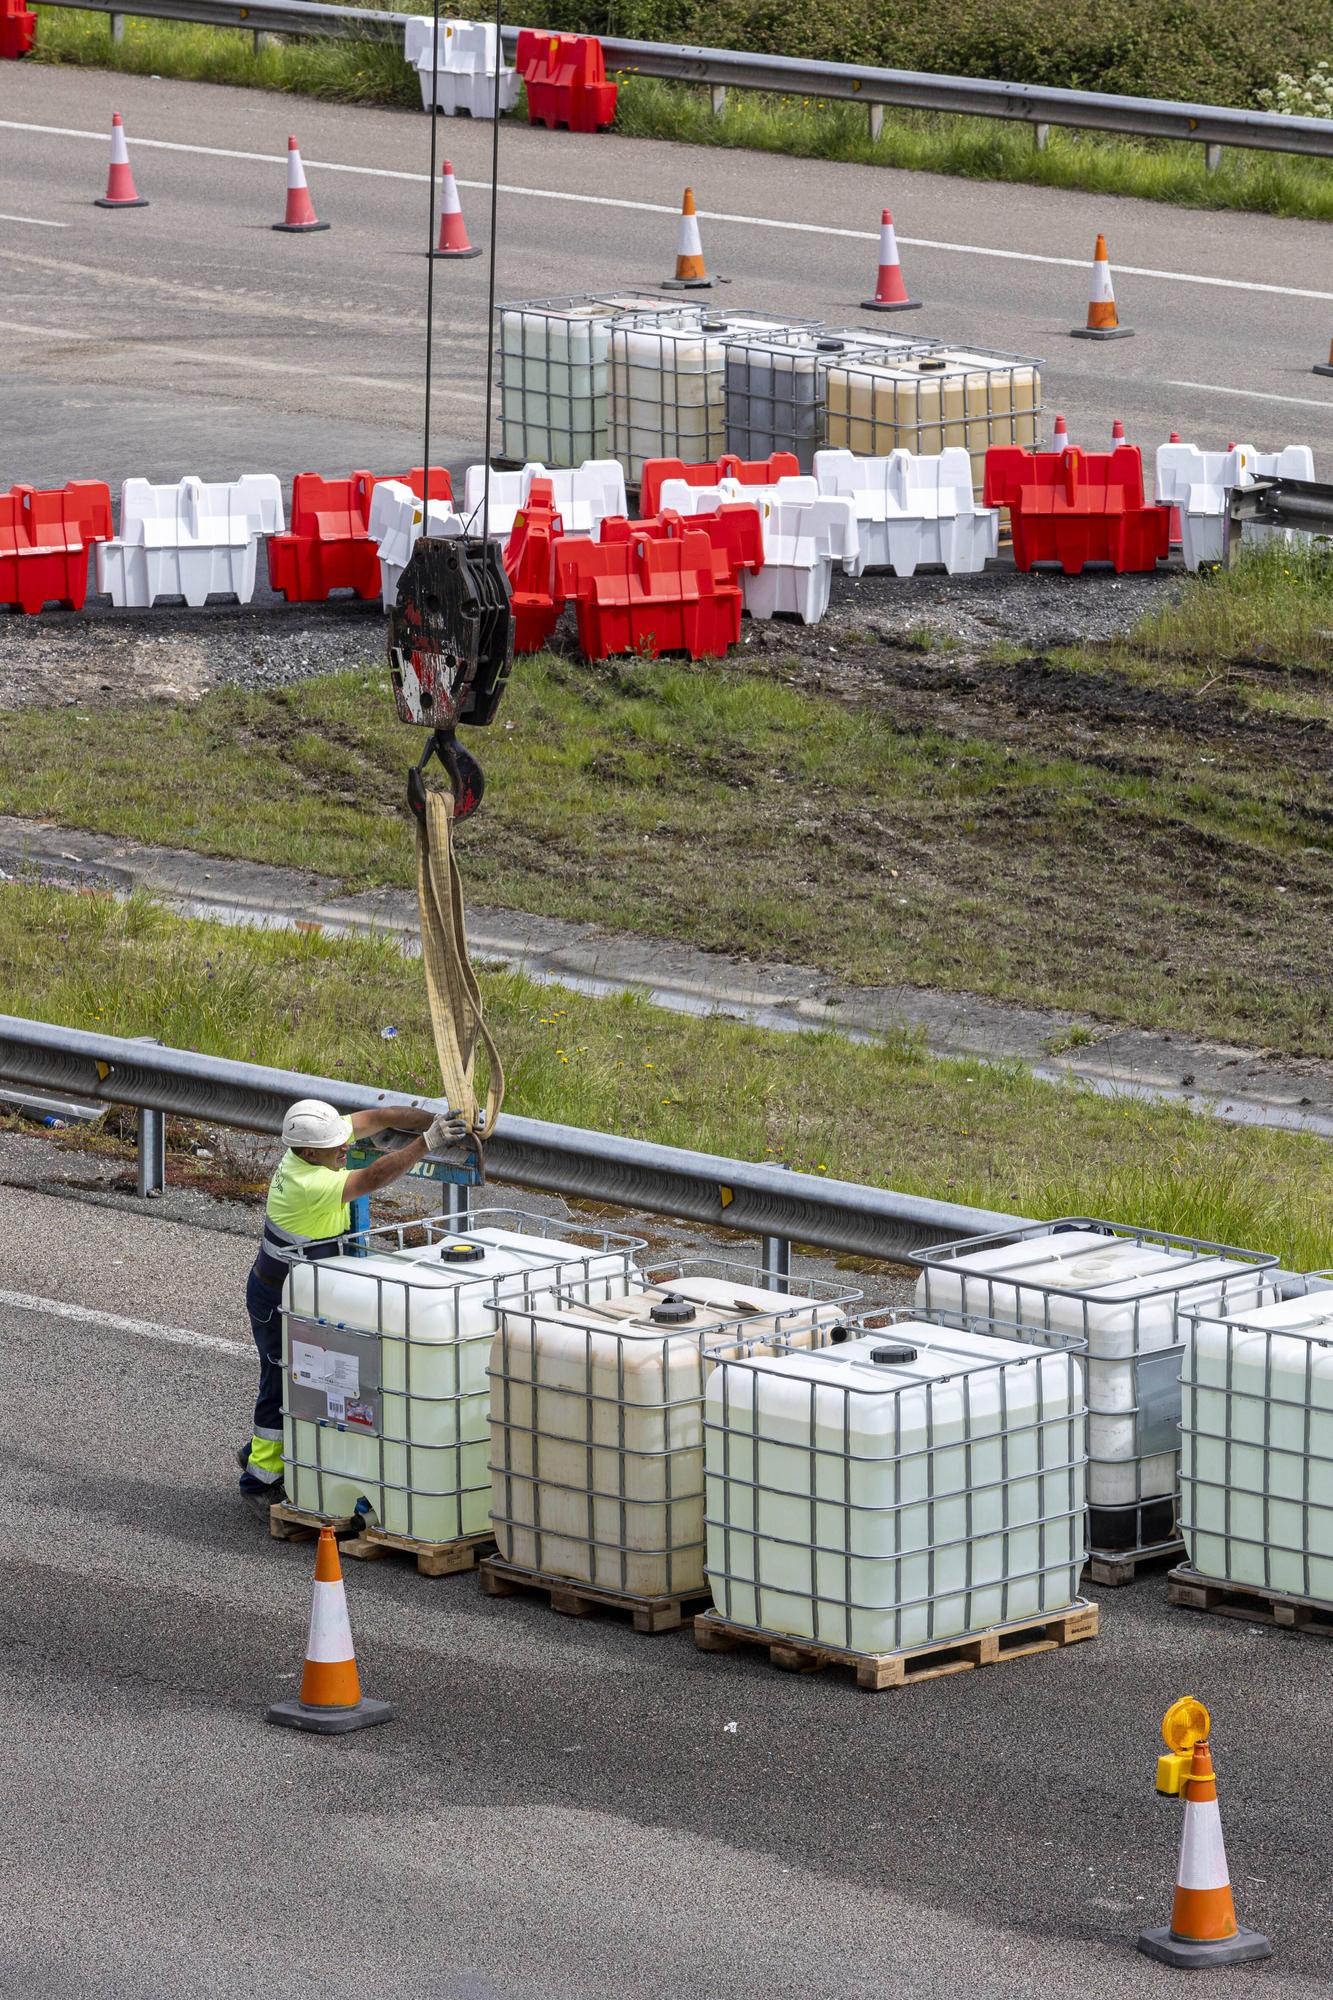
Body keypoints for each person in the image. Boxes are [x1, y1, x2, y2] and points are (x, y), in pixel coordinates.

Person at [238, 1097, 460, 1510]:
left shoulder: (318, 1137)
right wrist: (427, 1141)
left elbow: (380, 1117)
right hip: (279, 1297)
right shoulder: (309, 1183)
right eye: (335, 1147)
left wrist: (437, 1120)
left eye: (343, 1140)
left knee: (317, 1379)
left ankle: (297, 1462)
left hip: (299, 1288)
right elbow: (375, 1176)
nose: (344, 1147)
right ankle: (259, 1477)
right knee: (282, 1382)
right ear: (308, 1153)